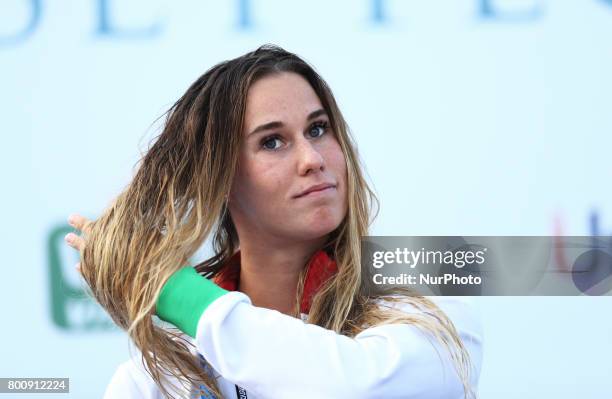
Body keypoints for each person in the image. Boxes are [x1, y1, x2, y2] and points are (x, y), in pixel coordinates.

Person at [64, 44, 483, 399]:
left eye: (318, 129)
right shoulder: (161, 377)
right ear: (220, 180)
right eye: (272, 141)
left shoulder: (423, 300)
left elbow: (350, 385)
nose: (312, 160)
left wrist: (181, 296)